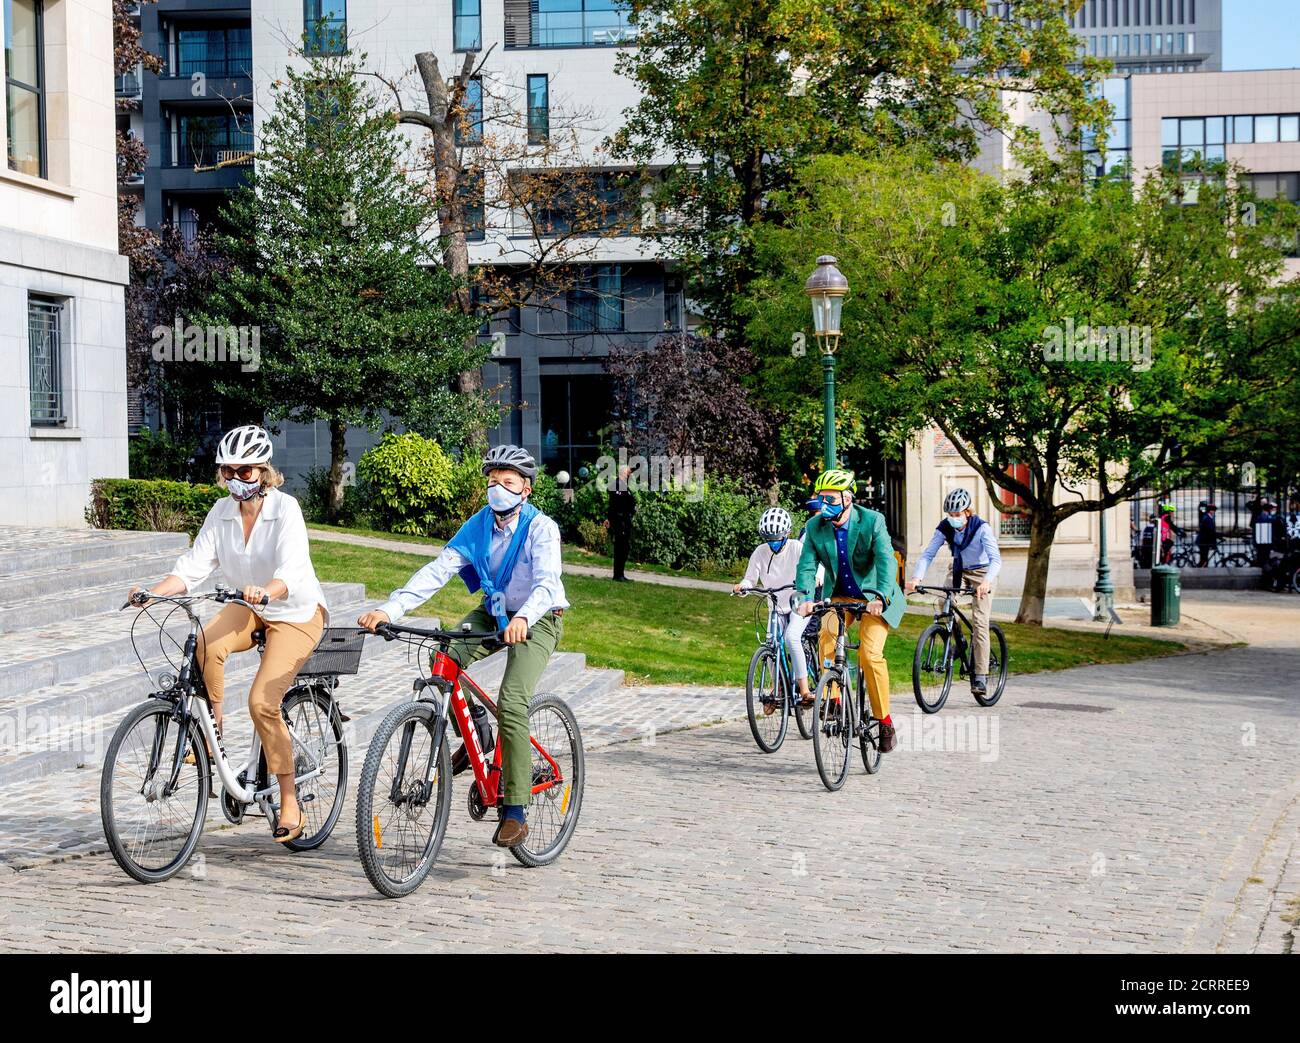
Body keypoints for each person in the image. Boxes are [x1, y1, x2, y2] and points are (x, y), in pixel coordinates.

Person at [357, 444, 567, 849]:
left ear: (526, 489)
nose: (498, 489)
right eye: (492, 482)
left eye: (508, 482)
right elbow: (437, 570)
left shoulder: (542, 529)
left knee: (513, 699)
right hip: (494, 612)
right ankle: (478, 736)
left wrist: (524, 618)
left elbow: (547, 584)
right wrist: (389, 608)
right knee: (444, 658)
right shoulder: (478, 525)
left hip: (538, 619)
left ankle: (515, 809)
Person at [128, 425, 328, 844]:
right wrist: (153, 592)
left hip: (294, 611)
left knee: (261, 702)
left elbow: (291, 571)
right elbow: (192, 567)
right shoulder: (220, 514)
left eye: (246, 471)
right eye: (229, 472)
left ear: (264, 472)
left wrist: (267, 590)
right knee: (206, 642)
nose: (236, 479)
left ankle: (290, 799)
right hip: (248, 607)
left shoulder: (286, 509)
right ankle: (210, 730)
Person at [794, 468, 905, 754]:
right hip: (839, 596)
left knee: (870, 656)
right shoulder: (815, 527)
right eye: (821, 499)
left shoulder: (872, 521)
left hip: (873, 598)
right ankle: (834, 699)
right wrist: (805, 596)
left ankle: (885, 721)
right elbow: (806, 565)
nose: (823, 505)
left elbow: (886, 562)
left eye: (830, 499)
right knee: (826, 634)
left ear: (847, 498)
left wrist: (880, 596)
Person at [905, 488, 1002, 697]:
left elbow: (996, 560)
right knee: (945, 603)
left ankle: (980, 676)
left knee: (980, 622)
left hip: (983, 572)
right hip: (959, 569)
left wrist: (986, 582)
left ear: (967, 512)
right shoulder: (944, 528)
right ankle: (960, 640)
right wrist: (916, 578)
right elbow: (928, 554)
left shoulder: (982, 528)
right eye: (950, 515)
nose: (953, 519)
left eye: (957, 515)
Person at [732, 507, 811, 710]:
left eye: (777, 539)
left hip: (798, 604)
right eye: (769, 539)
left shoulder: (797, 548)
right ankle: (777, 692)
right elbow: (750, 578)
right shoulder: (760, 552)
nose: (773, 543)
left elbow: (812, 566)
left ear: (786, 535)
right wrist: (744, 586)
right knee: (771, 642)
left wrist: (816, 578)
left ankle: (804, 691)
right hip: (775, 605)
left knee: (791, 638)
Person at [606, 464, 635, 582]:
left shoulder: (624, 486)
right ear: (623, 473)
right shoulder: (616, 485)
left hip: (625, 520)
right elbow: (616, 504)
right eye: (628, 473)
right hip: (619, 520)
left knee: (624, 548)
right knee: (620, 548)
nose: (630, 475)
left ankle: (621, 573)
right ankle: (617, 575)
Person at [1196, 502, 1217, 568]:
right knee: (1204, 559)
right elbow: (1210, 532)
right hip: (1203, 541)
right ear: (1210, 511)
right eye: (1213, 510)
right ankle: (1200, 571)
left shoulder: (1208, 517)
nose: (1214, 512)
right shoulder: (1207, 518)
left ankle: (1201, 569)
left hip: (1204, 541)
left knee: (1204, 559)